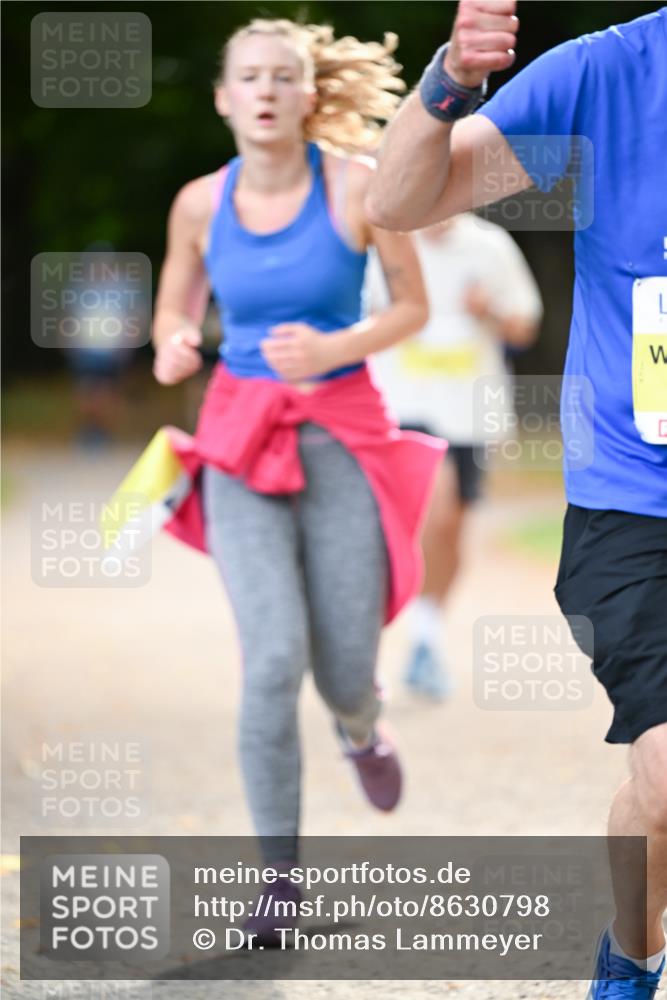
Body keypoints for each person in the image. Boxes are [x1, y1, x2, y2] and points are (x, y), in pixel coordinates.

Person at [367, 2, 667, 996]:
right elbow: (405, 197)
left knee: (654, 797)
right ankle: (631, 959)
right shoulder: (607, 71)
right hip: (638, 500)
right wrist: (449, 80)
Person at [150, 18, 445, 945]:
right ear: (226, 98)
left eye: (285, 76)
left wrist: (333, 347)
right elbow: (177, 296)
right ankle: (279, 882)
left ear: (309, 94)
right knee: (272, 659)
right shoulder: (199, 203)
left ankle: (360, 729)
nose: (269, 90)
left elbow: (411, 305)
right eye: (251, 77)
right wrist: (171, 341)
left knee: (344, 669)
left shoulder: (358, 189)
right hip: (239, 442)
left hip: (341, 439)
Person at [365, 213, 542, 698]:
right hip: (402, 402)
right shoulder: (385, 242)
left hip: (469, 407)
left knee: (450, 529)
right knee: (430, 512)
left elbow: (524, 327)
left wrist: (488, 311)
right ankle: (368, 643)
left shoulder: (489, 245)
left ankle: (427, 634)